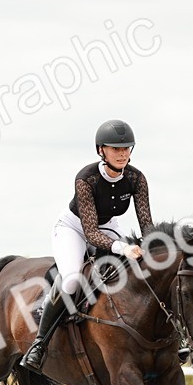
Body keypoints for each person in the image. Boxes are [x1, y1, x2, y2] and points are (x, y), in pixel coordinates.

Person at [21, 120, 154, 371]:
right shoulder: (86, 178)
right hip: (73, 228)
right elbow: (91, 234)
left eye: (126, 148)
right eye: (115, 148)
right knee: (71, 279)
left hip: (108, 226)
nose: (122, 153)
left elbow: (146, 223)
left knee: (137, 270)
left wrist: (154, 247)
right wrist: (124, 248)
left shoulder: (137, 179)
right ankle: (40, 343)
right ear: (101, 150)